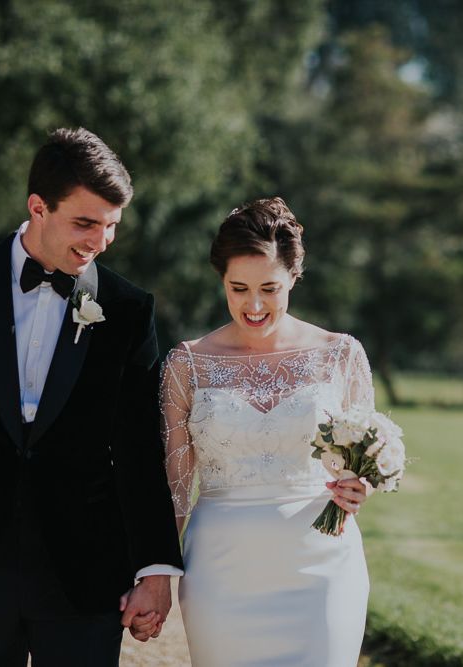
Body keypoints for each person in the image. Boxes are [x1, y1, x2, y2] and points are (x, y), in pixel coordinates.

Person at [0, 127, 183, 666]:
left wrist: (156, 570)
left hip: (85, 576)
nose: (100, 241)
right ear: (38, 206)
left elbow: (140, 449)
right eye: (86, 223)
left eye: (112, 226)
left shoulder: (129, 309)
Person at [157, 196, 373, 666]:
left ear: (294, 277)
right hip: (221, 571)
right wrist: (155, 576)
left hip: (322, 568)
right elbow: (174, 490)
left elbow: (361, 462)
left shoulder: (341, 355)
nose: (253, 305)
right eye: (238, 289)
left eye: (269, 289)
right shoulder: (187, 364)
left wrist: (362, 486)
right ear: (222, 282)